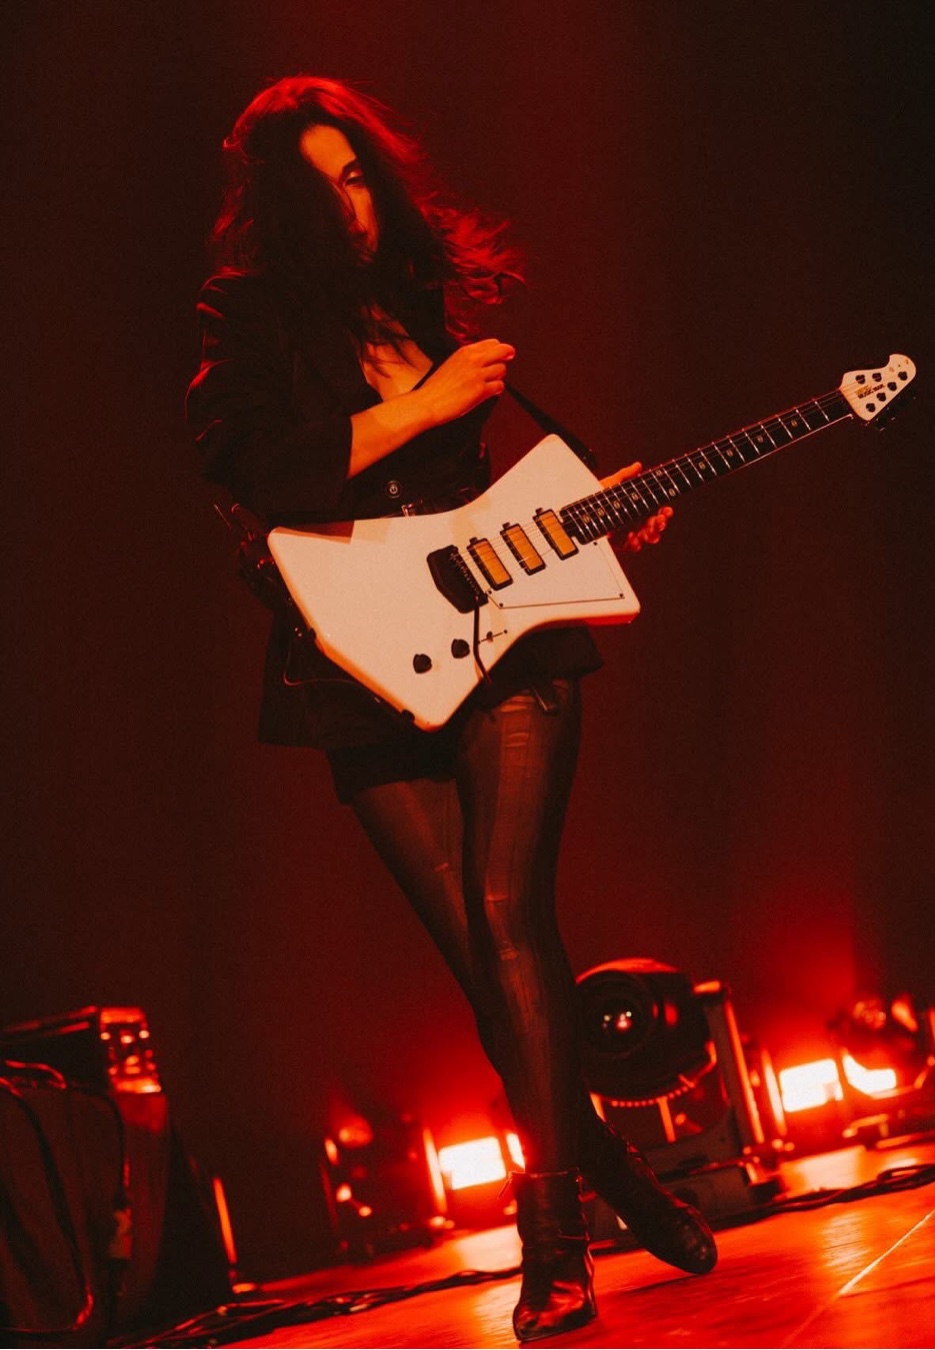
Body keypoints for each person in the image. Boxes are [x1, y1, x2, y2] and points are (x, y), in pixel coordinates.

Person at [186, 75, 715, 1342]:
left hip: (505, 640)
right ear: (276, 205)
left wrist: (598, 518)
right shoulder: (244, 316)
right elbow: (254, 470)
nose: (351, 206)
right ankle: (611, 1166)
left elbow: (477, 511)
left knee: (509, 914)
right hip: (357, 663)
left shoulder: (421, 297)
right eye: (320, 186)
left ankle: (555, 1241)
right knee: (476, 958)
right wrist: (424, 404)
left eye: (358, 175)